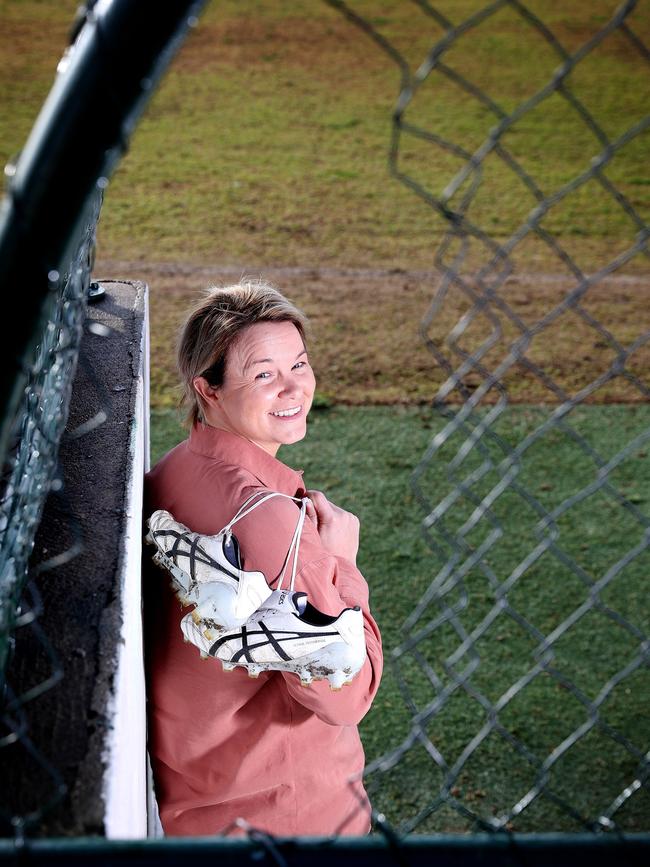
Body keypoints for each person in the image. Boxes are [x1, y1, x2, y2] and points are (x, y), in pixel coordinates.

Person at [144, 278, 383, 837]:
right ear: (208, 389)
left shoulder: (175, 470)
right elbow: (346, 694)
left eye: (299, 365)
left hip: (198, 805)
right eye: (263, 375)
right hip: (293, 820)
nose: (293, 388)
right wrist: (343, 563)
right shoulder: (271, 520)